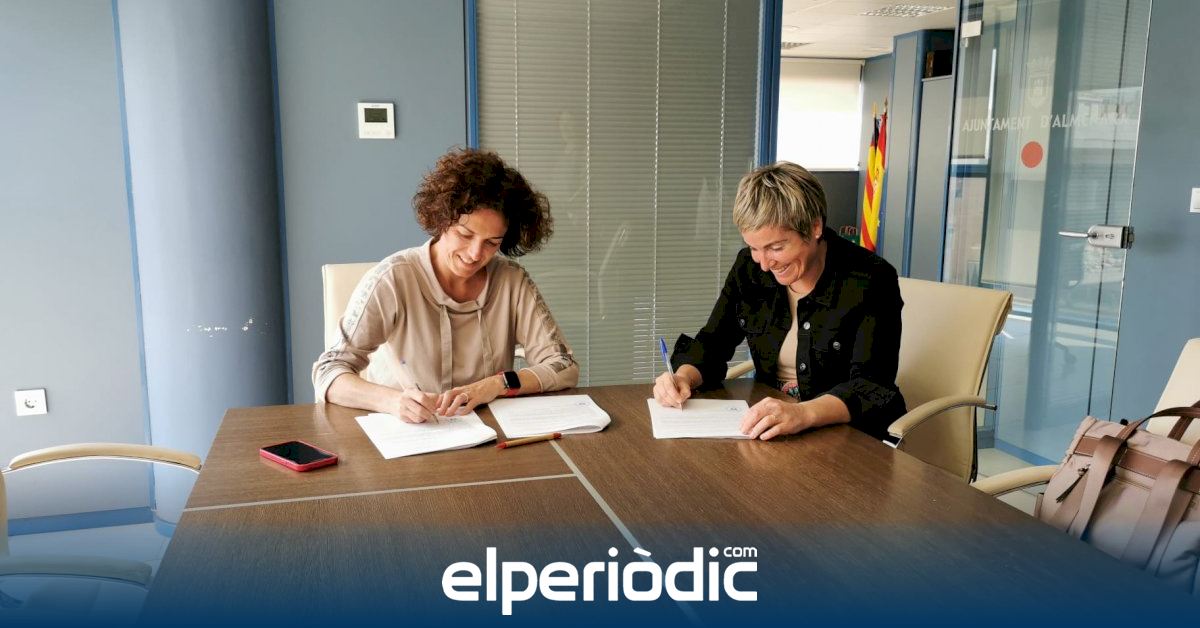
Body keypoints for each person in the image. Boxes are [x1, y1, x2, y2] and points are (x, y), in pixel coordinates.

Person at [313, 148, 578, 422]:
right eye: (465, 235)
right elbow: (329, 371)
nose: (475, 254)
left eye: (491, 243)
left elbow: (564, 365)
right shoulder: (392, 279)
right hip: (412, 430)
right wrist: (392, 401)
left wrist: (497, 384)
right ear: (441, 220)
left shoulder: (512, 281)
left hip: (493, 432)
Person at [653, 162, 905, 441]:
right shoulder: (748, 269)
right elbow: (713, 342)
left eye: (776, 247)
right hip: (773, 429)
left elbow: (871, 385)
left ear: (815, 227)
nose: (764, 264)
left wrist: (803, 413)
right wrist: (683, 378)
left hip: (849, 436)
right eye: (754, 247)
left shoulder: (871, 279)